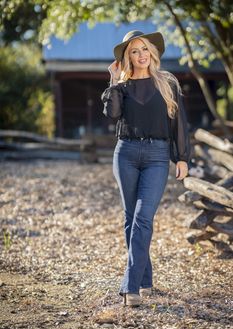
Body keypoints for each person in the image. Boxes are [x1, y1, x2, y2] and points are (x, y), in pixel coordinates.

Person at [101, 30, 191, 307]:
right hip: (125, 153)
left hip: (157, 155)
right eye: (134, 51)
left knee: (143, 218)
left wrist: (182, 157)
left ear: (152, 53)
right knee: (130, 219)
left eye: (144, 50)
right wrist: (114, 80)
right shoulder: (121, 87)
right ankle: (145, 279)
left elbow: (179, 123)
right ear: (127, 57)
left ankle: (130, 286)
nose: (140, 55)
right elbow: (112, 115)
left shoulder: (167, 83)